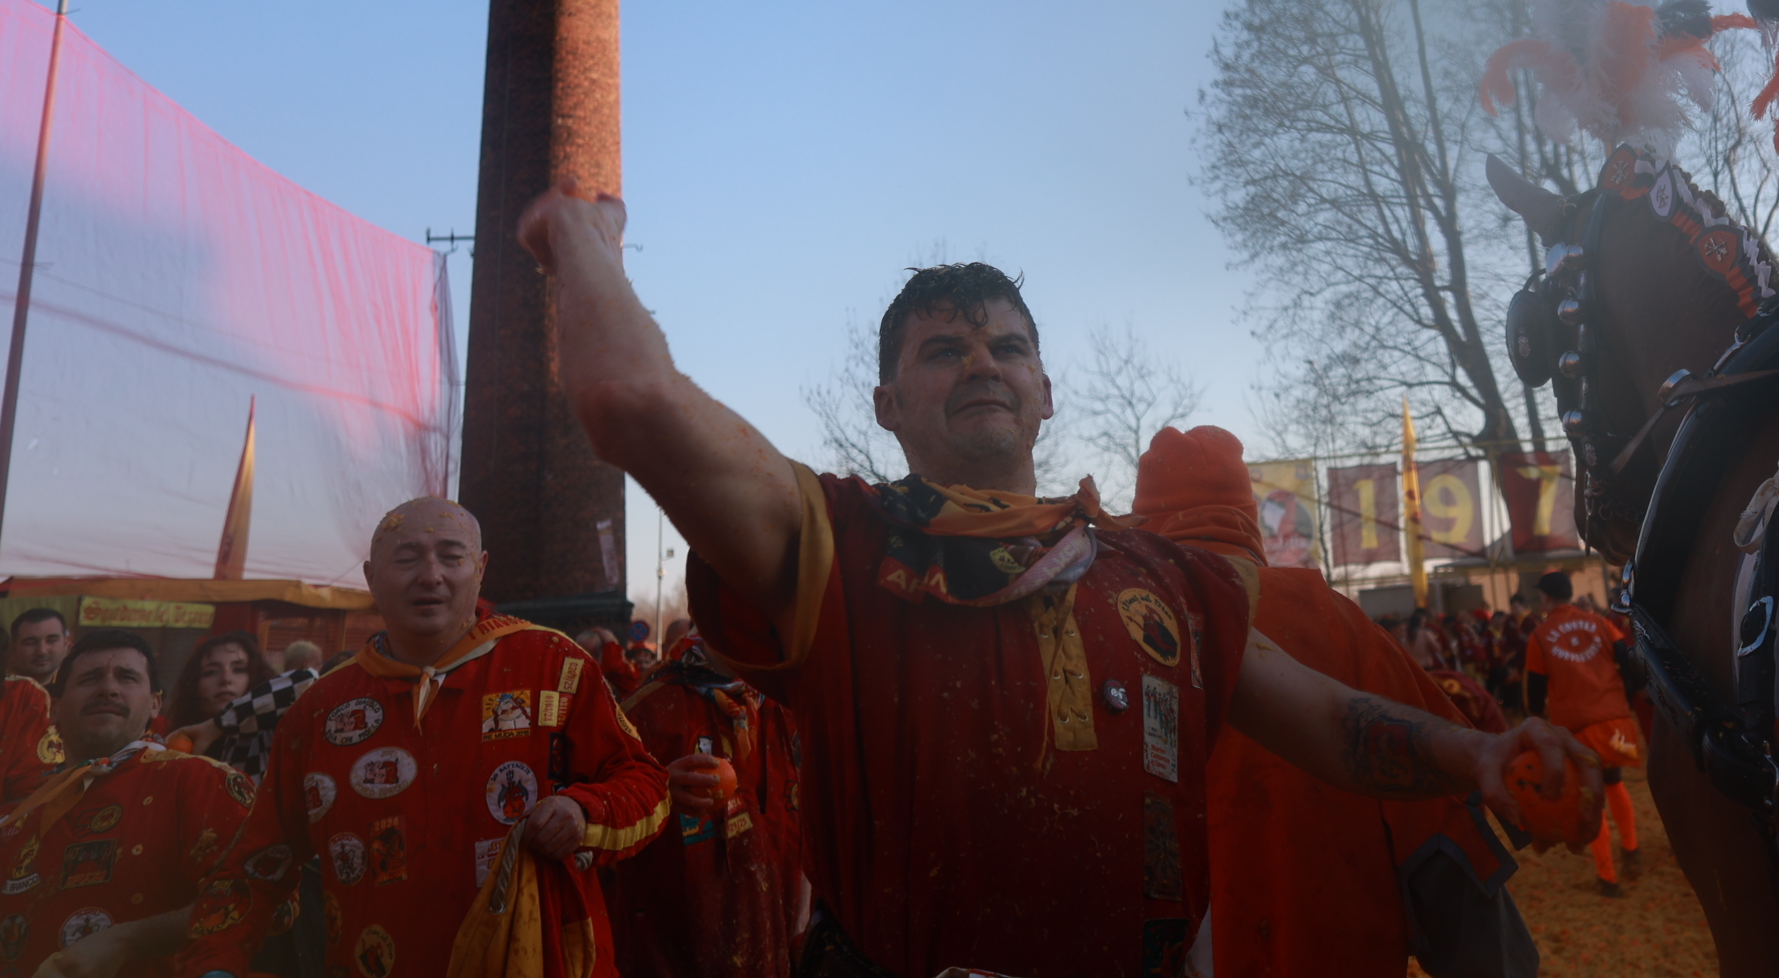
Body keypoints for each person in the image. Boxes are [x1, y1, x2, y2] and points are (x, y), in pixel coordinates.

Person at [517, 186, 1597, 978]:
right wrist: (583, 241)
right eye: (943, 350)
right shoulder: (836, 543)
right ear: (888, 403)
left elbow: (1325, 718)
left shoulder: (1165, 578)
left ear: (1045, 391)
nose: (982, 361)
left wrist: (1476, 753)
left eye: (1007, 345)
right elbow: (628, 398)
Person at [173, 499, 670, 978]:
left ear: (480, 569)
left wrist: (583, 811)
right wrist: (214, 963)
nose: (430, 575)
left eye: (451, 557)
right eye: (406, 558)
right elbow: (258, 862)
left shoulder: (552, 666)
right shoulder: (319, 709)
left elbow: (647, 783)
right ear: (372, 578)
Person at [1131, 425, 1532, 978]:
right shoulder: (1339, 624)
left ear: (1142, 524)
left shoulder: (1115, 629)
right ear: (1249, 519)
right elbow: (1438, 830)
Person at [0, 629, 264, 978]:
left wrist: (128, 941)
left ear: (155, 703)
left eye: (127, 677)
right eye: (89, 678)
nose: (108, 688)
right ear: (56, 707)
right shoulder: (19, 815)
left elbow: (265, 898)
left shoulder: (201, 781)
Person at [605, 632, 804, 978]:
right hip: (679, 958)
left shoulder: (785, 706)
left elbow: (806, 828)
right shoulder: (645, 712)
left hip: (779, 953)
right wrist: (651, 791)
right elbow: (597, 843)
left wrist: (802, 927)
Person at [1523, 569, 1642, 893]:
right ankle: (1631, 850)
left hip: (1577, 730)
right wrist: (1625, 699)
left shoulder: (1539, 637)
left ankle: (1608, 877)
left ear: (1546, 597)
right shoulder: (1600, 623)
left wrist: (1538, 721)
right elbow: (1627, 660)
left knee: (1591, 795)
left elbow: (1535, 693)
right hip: (1614, 722)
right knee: (1614, 782)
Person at [167, 637, 323, 780]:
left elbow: (307, 680)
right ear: (194, 683)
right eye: (211, 671)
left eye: (239, 669)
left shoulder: (266, 733)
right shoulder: (178, 741)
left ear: (255, 676)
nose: (226, 679)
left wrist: (218, 724)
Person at [6, 615, 68, 689]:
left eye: (52, 641)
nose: (42, 651)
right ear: (13, 649)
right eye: (30, 643)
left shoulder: (72, 687)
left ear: (66, 644)